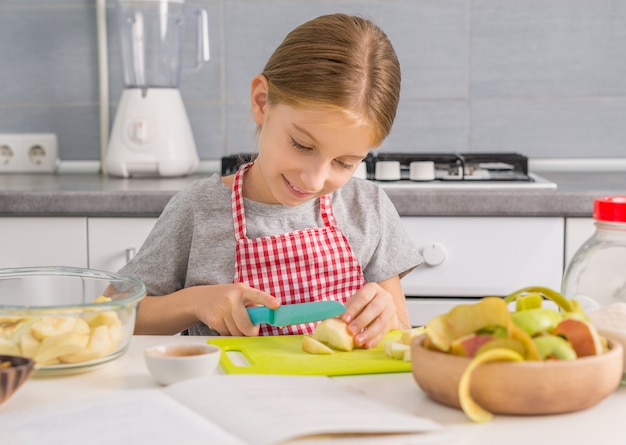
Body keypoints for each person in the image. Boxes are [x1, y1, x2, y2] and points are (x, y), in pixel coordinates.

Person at [120, 13, 423, 349]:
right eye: (302, 145)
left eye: (344, 162)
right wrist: (195, 302)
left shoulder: (368, 208)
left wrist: (387, 318)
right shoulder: (198, 210)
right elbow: (120, 315)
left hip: (342, 398)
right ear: (262, 102)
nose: (313, 179)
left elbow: (402, 332)